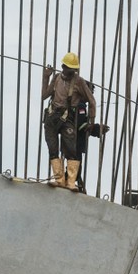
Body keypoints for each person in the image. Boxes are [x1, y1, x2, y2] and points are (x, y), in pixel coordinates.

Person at [42, 52, 96, 191]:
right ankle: (59, 180)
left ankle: (71, 182)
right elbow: (44, 95)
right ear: (63, 67)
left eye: (74, 69)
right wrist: (46, 77)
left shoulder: (79, 81)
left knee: (71, 151)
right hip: (52, 118)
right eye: (70, 68)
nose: (72, 72)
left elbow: (92, 101)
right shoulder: (57, 78)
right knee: (53, 149)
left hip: (67, 119)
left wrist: (91, 121)